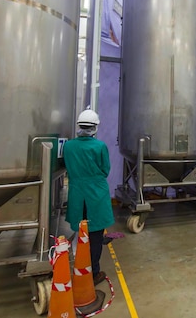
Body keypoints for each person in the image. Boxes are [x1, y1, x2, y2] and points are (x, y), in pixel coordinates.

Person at [63, 108, 114, 286]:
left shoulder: (68, 146)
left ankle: (79, 262)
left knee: (81, 229)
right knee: (96, 233)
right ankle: (93, 272)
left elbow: (67, 165)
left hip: (77, 191)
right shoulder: (99, 147)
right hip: (96, 192)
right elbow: (105, 169)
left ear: (79, 126)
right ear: (95, 128)